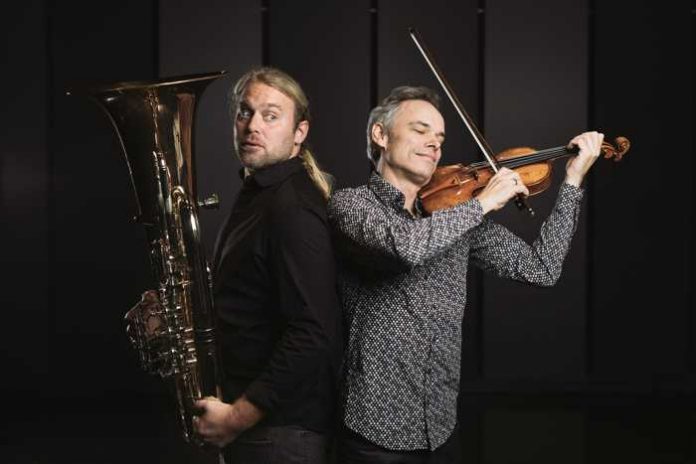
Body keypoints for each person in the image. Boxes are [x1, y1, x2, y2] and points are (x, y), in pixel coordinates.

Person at [328, 85, 603, 463]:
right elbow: (406, 246)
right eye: (421, 130)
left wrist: (572, 181)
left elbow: (542, 269)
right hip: (374, 430)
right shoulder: (351, 204)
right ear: (380, 134)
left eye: (440, 137)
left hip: (440, 428)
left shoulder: (459, 214)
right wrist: (485, 202)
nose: (435, 144)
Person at [193, 67, 342, 464]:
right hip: (261, 432)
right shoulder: (257, 194)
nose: (252, 125)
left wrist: (235, 419)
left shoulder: (291, 207)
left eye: (271, 115)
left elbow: (313, 333)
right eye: (245, 112)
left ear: (300, 132)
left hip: (279, 436)